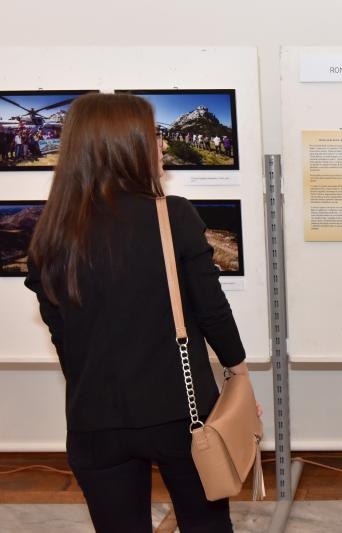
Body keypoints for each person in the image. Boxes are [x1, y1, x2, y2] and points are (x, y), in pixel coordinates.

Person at [24, 93, 256, 532]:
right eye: (154, 136)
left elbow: (63, 337)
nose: (163, 146)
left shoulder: (50, 231)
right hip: (181, 415)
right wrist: (240, 377)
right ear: (124, 145)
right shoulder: (174, 216)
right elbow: (211, 311)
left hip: (94, 418)